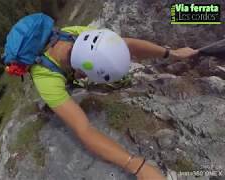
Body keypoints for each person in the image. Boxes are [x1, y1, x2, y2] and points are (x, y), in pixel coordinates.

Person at [14, 25, 198, 180]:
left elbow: (127, 44)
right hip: (51, 69)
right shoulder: (46, 79)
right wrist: (138, 167)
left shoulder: (87, 38)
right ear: (83, 71)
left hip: (69, 62)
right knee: (66, 99)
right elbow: (84, 129)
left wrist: (172, 54)